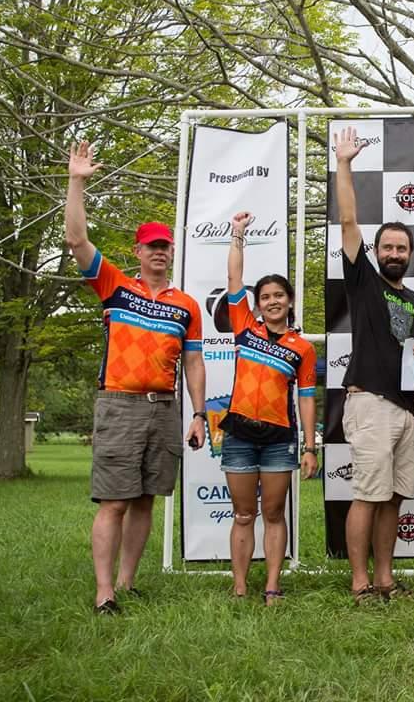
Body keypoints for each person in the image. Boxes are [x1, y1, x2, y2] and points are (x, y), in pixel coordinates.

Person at [64, 141, 206, 614]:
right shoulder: (115, 285)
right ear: (138, 250)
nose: (160, 253)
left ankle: (126, 583)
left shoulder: (186, 305)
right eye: (152, 246)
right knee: (115, 502)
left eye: (165, 246)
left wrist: (200, 414)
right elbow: (77, 240)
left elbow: (194, 363)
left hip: (165, 408)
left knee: (147, 498)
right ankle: (103, 592)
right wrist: (77, 181)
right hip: (119, 404)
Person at [334, 127, 414, 604]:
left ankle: (386, 579)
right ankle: (359, 583)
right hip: (369, 400)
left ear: (411, 255)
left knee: (393, 498)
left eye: (402, 248)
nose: (395, 253)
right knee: (367, 494)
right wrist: (346, 164)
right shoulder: (363, 282)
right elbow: (349, 221)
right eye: (388, 247)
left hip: (405, 409)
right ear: (375, 252)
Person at [221, 211, 319, 605]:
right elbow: (232, 279)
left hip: (280, 438)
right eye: (265, 297)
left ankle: (273, 585)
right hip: (240, 434)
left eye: (279, 295)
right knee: (244, 515)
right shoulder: (245, 326)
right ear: (257, 305)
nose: (272, 301)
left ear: (289, 301)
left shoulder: (303, 347)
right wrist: (238, 235)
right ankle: (240, 586)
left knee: (274, 514)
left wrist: (310, 446)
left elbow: (307, 398)